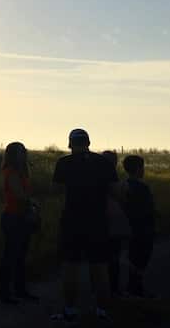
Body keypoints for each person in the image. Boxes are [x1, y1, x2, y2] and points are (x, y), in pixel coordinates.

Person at [50, 129, 118, 324]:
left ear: (70, 144)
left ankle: (70, 310)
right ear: (88, 142)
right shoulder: (103, 162)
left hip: (72, 221)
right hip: (98, 221)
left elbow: (55, 190)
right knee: (99, 268)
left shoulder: (64, 163)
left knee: (70, 267)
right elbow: (115, 191)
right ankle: (102, 310)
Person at [0, 141, 38, 304]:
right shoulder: (11, 172)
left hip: (21, 217)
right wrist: (32, 203)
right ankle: (6, 293)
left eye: (24, 151)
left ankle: (20, 290)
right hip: (13, 218)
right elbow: (20, 195)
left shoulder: (22, 172)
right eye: (20, 152)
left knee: (20, 256)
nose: (24, 154)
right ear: (13, 155)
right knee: (11, 256)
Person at [122, 155, 156, 297]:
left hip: (130, 227)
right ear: (138, 169)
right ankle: (135, 289)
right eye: (142, 167)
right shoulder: (142, 187)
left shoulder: (124, 185)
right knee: (141, 259)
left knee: (134, 257)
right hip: (143, 228)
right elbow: (148, 209)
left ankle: (134, 287)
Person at [102, 150, 130, 297]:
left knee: (102, 256)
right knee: (113, 257)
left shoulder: (94, 177)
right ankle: (113, 289)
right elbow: (120, 197)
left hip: (99, 221)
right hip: (113, 220)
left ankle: (101, 288)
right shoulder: (113, 178)